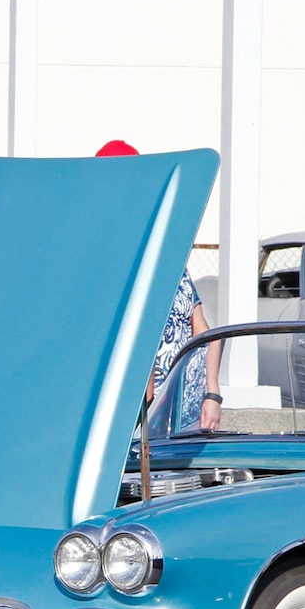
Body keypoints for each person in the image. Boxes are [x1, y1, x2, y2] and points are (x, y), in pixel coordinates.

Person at [96, 140, 224, 430]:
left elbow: (203, 329)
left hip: (187, 410)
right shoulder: (108, 256)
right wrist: (146, 400)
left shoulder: (168, 254)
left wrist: (212, 394)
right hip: (145, 415)